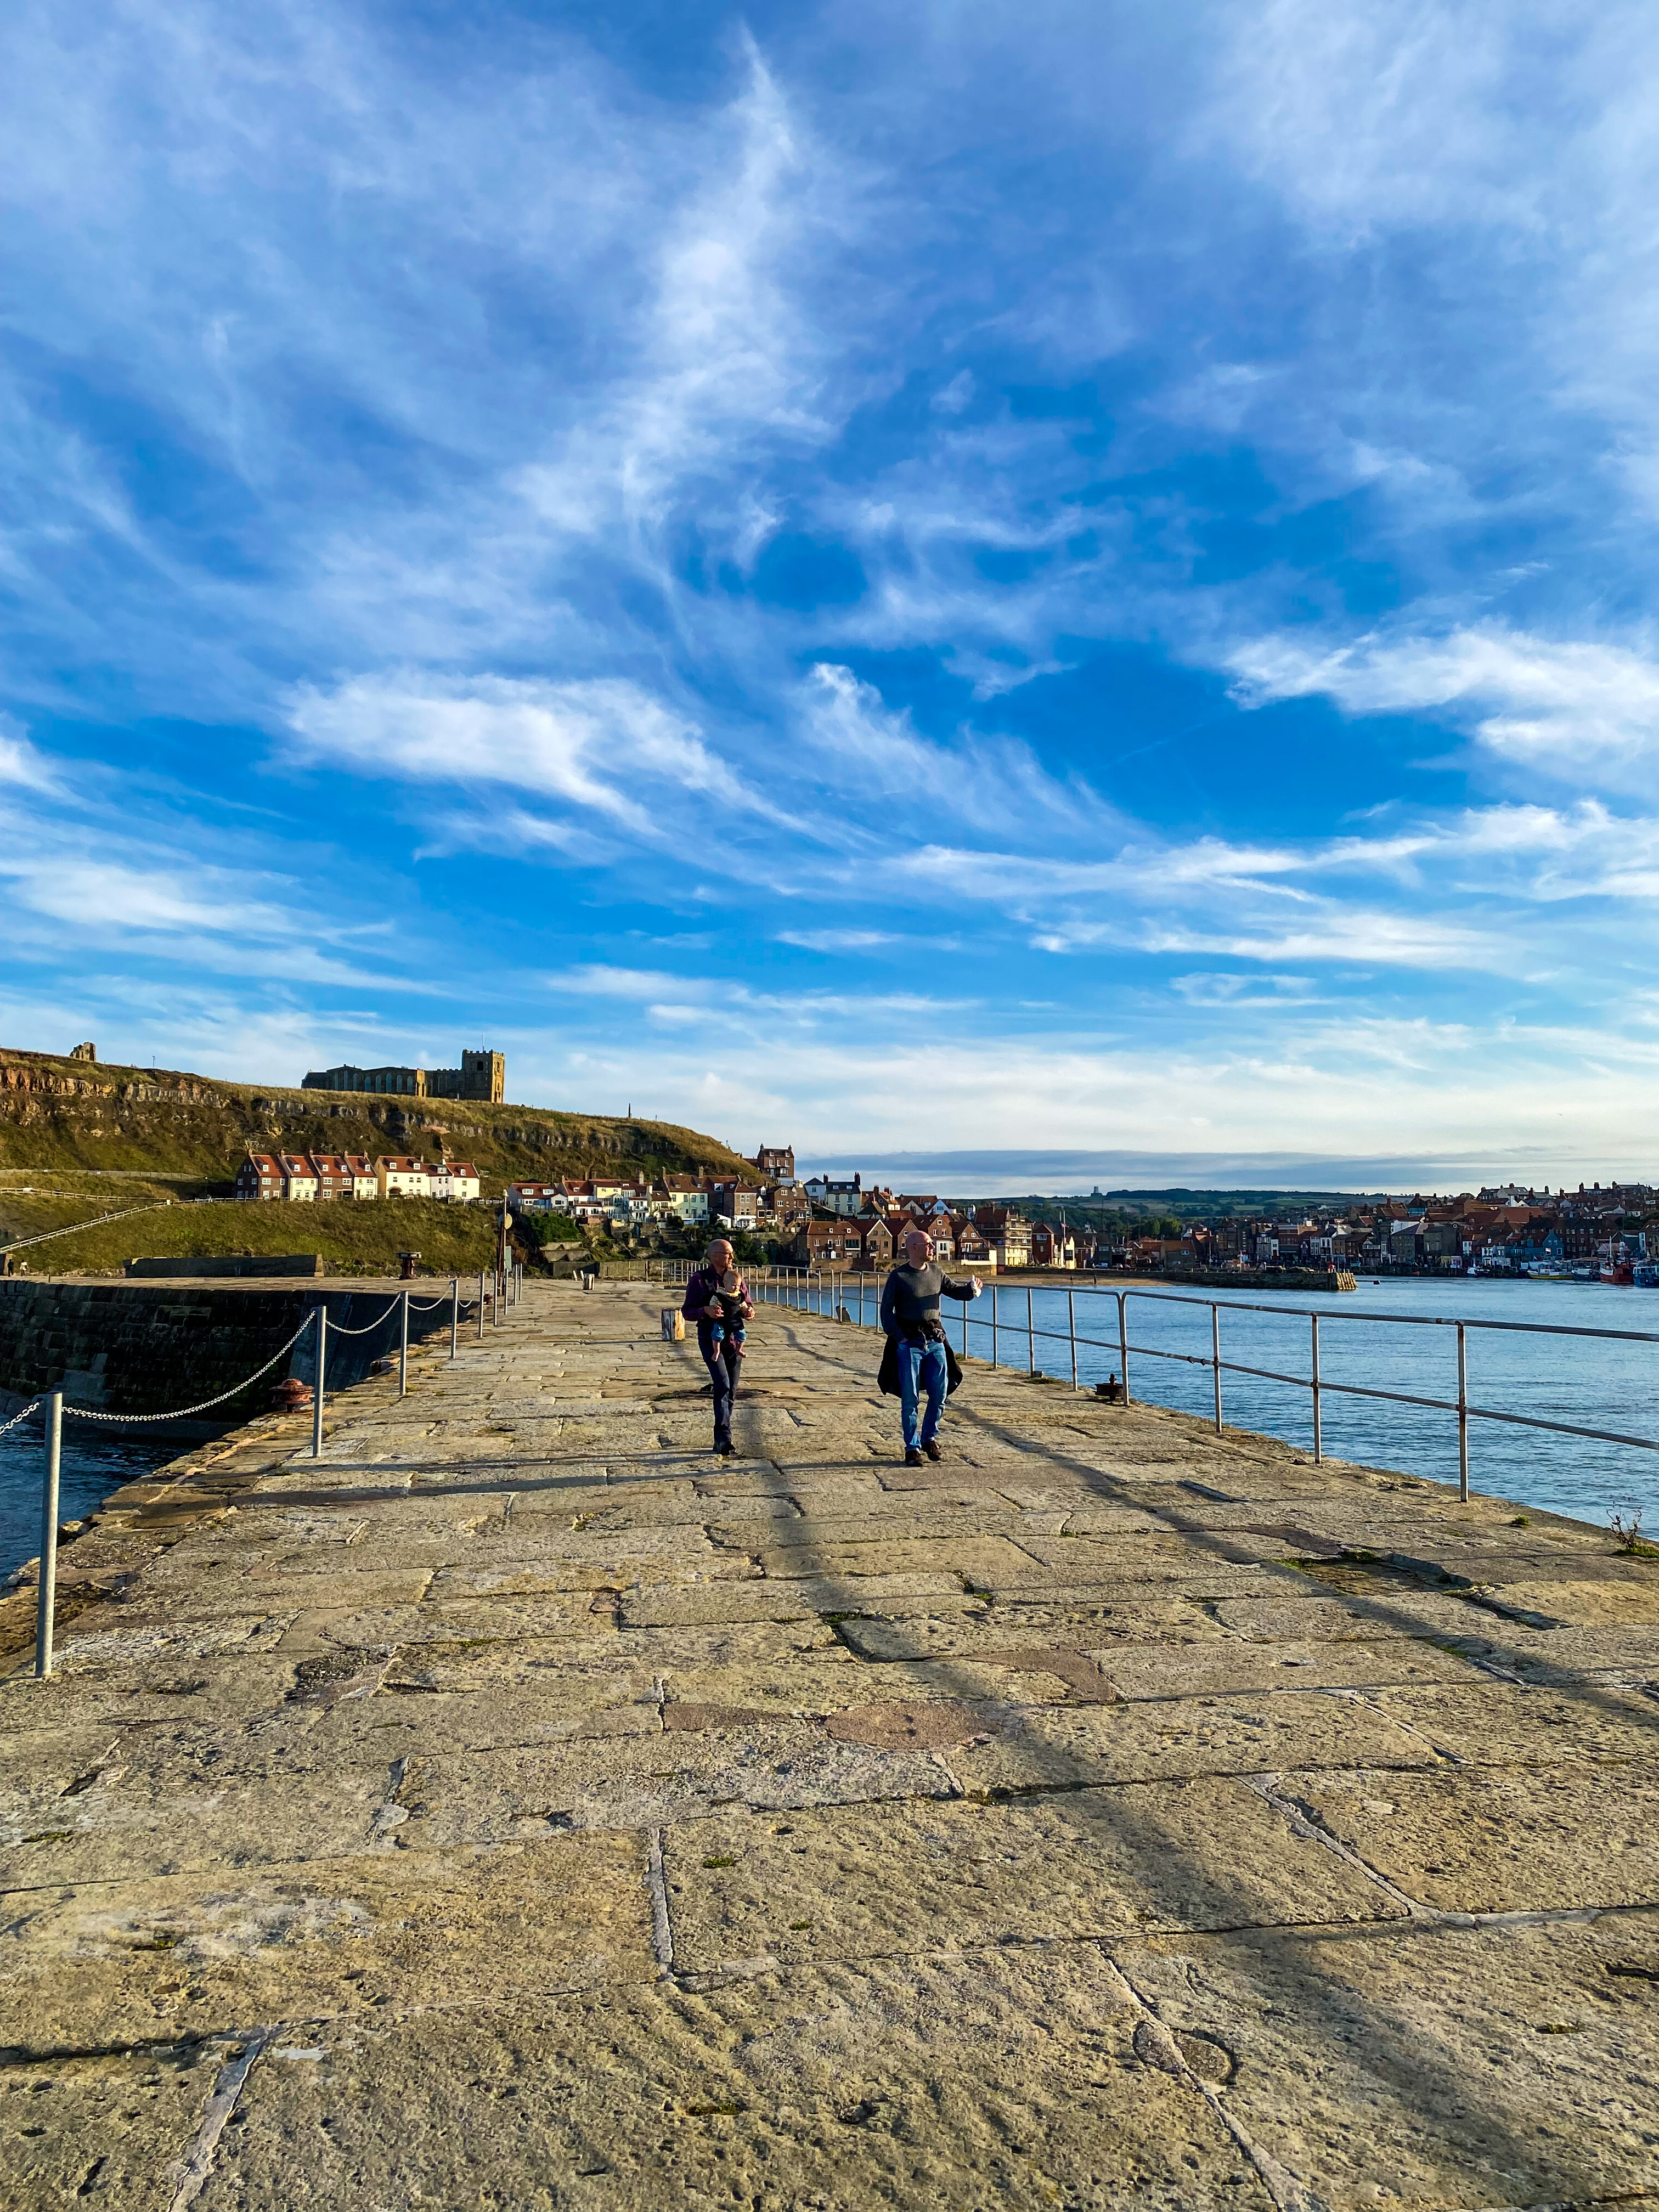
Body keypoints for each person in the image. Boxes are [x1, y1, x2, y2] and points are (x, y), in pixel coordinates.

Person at [879, 1226, 981, 1465]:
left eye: (932, 1245)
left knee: (940, 1393)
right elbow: (886, 1312)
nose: (933, 1248)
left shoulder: (936, 1271)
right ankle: (912, 1447)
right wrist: (900, 1338)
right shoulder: (899, 1277)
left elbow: (955, 1291)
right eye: (928, 1245)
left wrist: (972, 1290)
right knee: (910, 1398)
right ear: (913, 1249)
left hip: (935, 1340)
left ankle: (929, 1439)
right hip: (909, 1343)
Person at [681, 1237, 754, 1456]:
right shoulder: (700, 1280)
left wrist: (748, 1312)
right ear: (714, 1256)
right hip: (710, 1339)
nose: (731, 1257)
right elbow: (687, 1311)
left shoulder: (737, 1279)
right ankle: (724, 1438)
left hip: (734, 1341)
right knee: (721, 1384)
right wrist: (706, 1311)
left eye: (732, 1253)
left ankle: (721, 1437)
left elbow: (747, 1303)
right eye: (727, 1254)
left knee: (731, 1389)